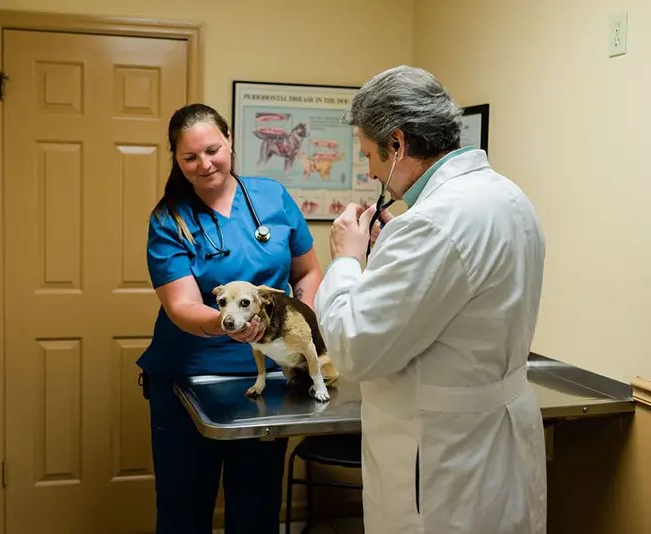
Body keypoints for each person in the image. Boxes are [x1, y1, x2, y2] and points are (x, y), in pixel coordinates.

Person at [314, 65, 547, 533]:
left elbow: (355, 348)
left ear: (396, 145)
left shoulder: (431, 224)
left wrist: (346, 260)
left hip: (439, 458)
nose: (370, 171)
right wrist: (391, 257)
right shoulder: (507, 196)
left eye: (369, 156)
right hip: (496, 439)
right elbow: (456, 300)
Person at [137, 103, 323, 533]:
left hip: (267, 383)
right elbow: (181, 305)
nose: (205, 164)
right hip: (190, 383)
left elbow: (308, 270)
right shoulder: (170, 220)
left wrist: (299, 323)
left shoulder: (272, 197)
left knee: (257, 508)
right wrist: (230, 325)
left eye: (213, 150)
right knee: (184, 509)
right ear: (176, 160)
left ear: (230, 141)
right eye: (190, 157)